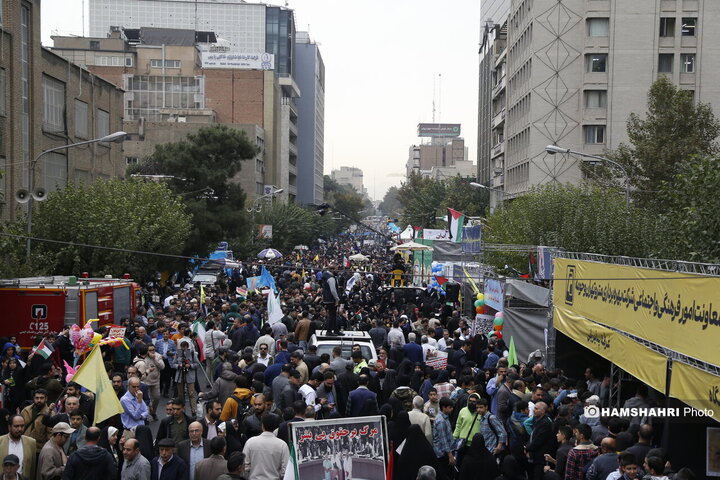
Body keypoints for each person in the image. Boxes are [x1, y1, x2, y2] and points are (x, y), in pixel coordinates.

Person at [241, 414, 288, 479]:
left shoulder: (250, 442)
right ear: (275, 427)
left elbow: (244, 466)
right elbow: (285, 470)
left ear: (262, 426)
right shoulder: (282, 445)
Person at [0, 415, 36, 480]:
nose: (20, 429)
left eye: (22, 426)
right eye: (16, 426)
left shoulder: (31, 442)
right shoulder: (1, 442)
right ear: (9, 427)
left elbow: (32, 468)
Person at [170, 341, 200, 418]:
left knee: (191, 394)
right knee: (180, 395)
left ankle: (194, 411)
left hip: (190, 376)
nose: (184, 349)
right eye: (182, 347)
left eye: (185, 347)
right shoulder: (178, 353)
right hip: (180, 376)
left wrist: (190, 366)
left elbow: (197, 364)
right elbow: (173, 364)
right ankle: (181, 410)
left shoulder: (192, 353)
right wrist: (179, 366)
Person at [432, 397, 455, 478]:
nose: (452, 409)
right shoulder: (441, 421)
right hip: (443, 454)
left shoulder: (445, 417)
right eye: (450, 407)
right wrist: (450, 456)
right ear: (443, 407)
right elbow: (443, 440)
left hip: (445, 452)